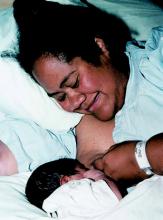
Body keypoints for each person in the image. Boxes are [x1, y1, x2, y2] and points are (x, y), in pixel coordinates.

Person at [13, 0, 163, 185]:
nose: (74, 102)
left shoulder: (157, 61)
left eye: (74, 82)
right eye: (61, 97)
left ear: (100, 48)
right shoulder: (66, 131)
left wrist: (143, 157)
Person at [25, 158, 123, 213]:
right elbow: (114, 197)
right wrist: (99, 176)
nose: (89, 170)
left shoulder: (57, 210)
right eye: (84, 169)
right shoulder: (74, 192)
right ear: (66, 181)